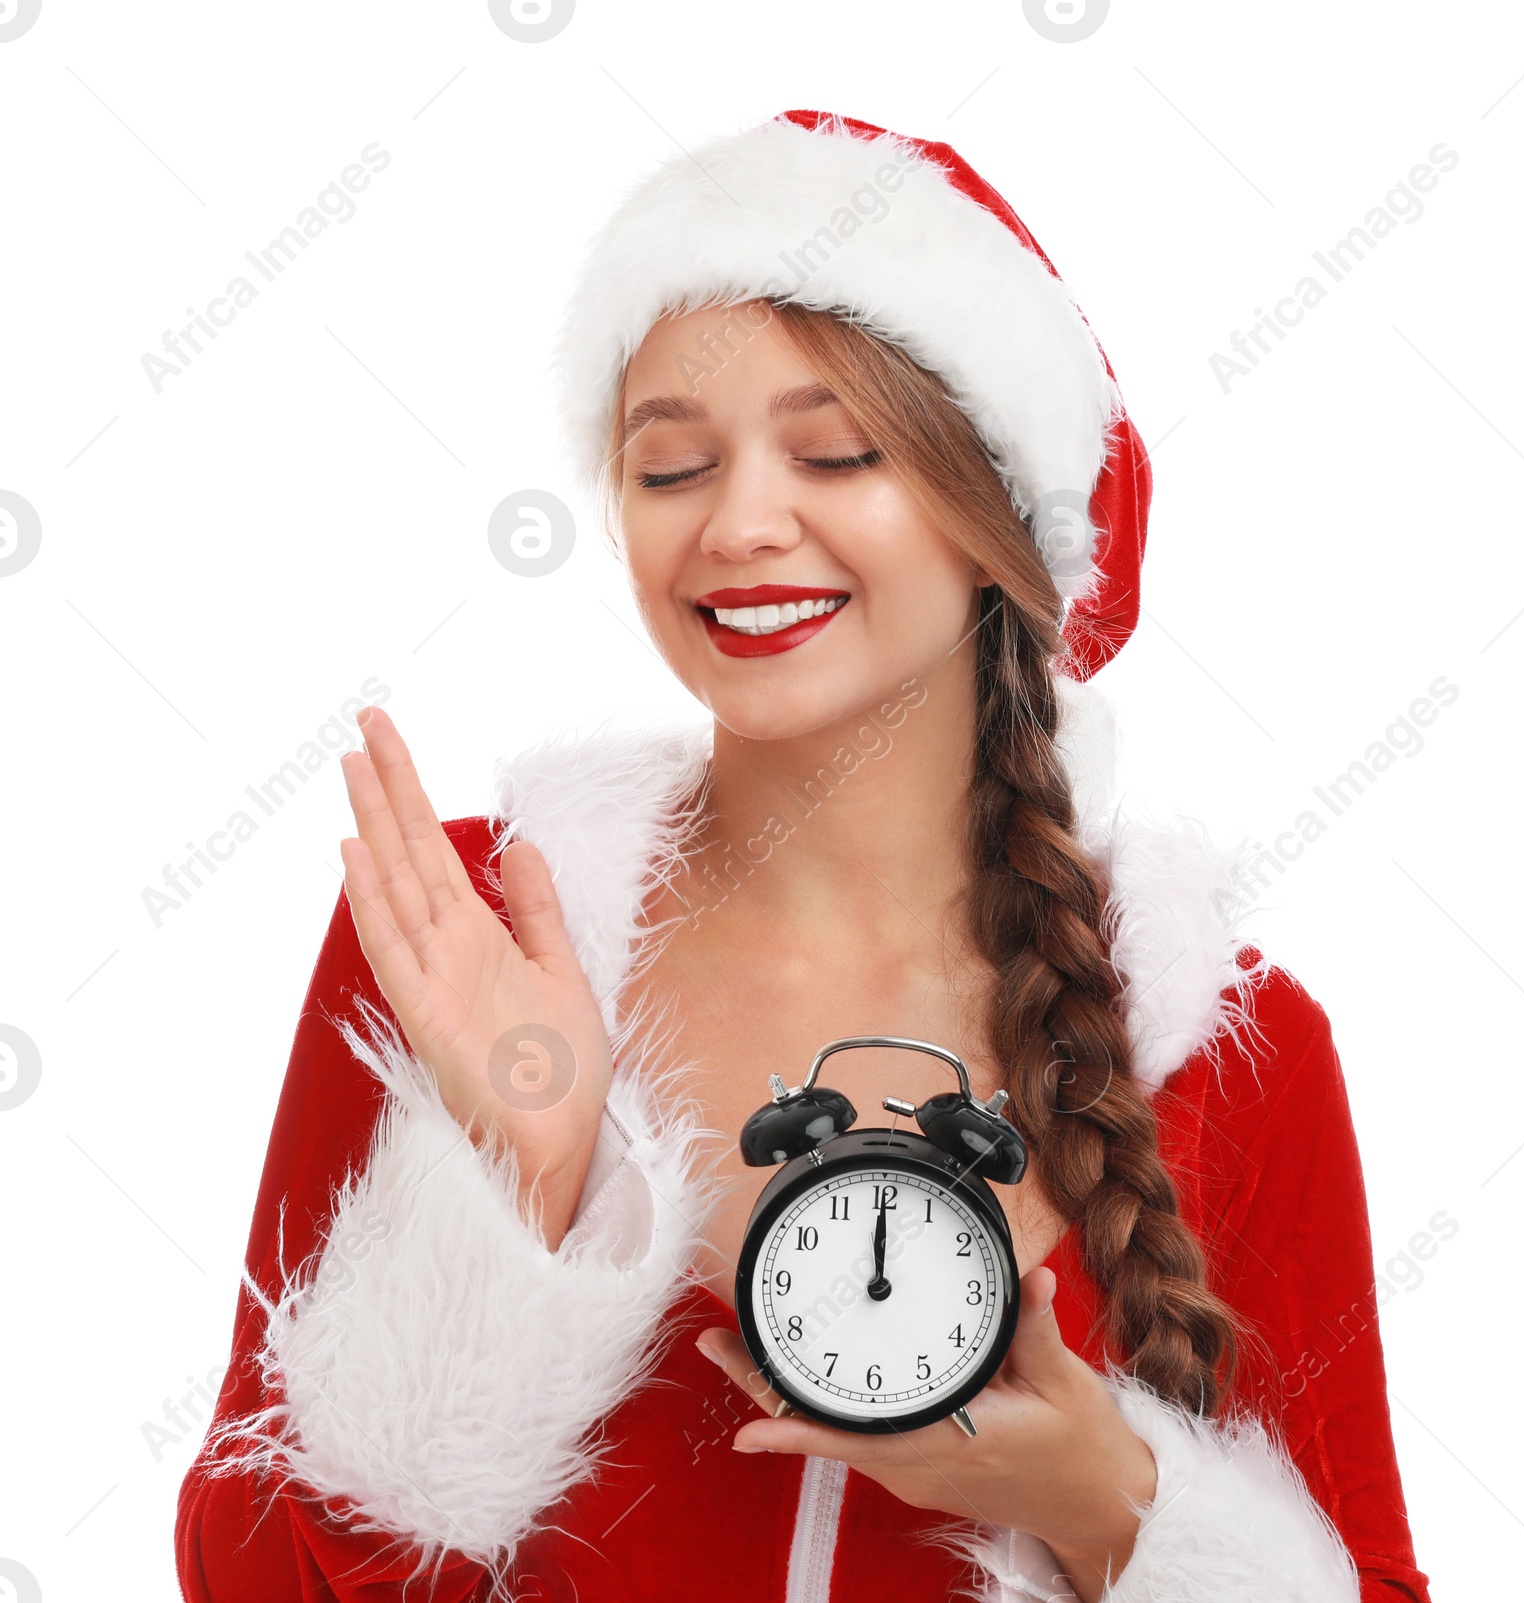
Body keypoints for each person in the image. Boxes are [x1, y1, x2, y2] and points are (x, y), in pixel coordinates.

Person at [174, 110, 1432, 1603]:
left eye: (837, 452)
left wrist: (1120, 1517)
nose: (741, 525)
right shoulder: (478, 934)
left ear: (997, 520)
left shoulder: (1233, 1047)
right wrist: (514, 1204)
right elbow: (249, 1576)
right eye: (668, 469)